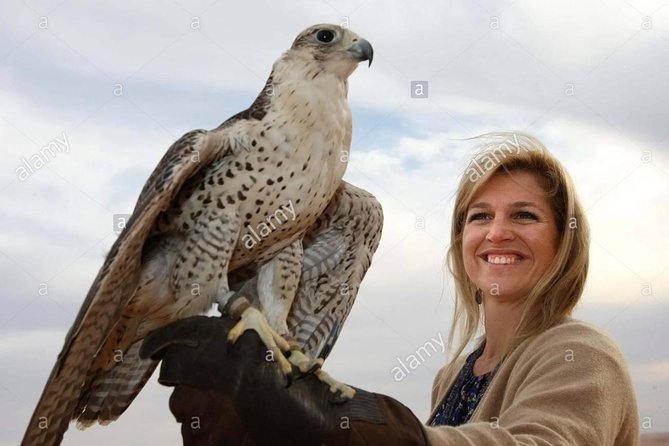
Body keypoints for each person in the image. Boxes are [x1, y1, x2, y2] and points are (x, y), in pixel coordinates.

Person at [141, 132, 640, 445]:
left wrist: (352, 424)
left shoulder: (580, 353)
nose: (496, 233)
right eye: (479, 216)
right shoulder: (454, 375)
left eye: (524, 216)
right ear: (460, 241)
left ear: (564, 242)